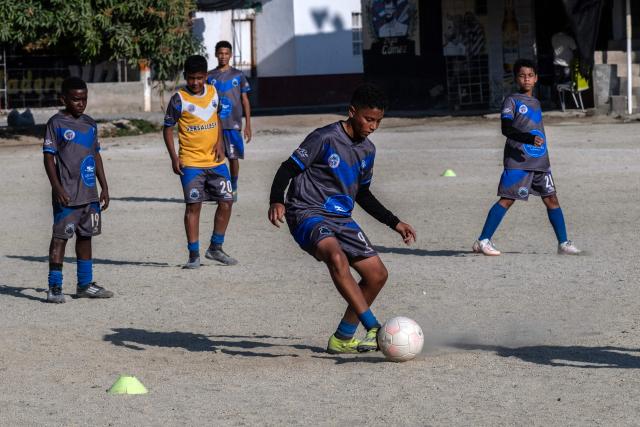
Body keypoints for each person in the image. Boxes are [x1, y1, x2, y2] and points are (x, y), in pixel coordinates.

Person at [268, 83, 416, 354]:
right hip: (306, 211)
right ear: (352, 112)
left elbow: (363, 193)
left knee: (377, 275)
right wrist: (277, 199)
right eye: (368, 119)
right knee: (336, 256)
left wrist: (395, 222)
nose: (373, 126)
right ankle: (373, 327)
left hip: (341, 217)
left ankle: (343, 338)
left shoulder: (368, 150)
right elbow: (287, 168)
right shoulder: (324, 138)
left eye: (378, 121)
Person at [472, 58, 581, 256]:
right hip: (518, 161)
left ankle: (563, 243)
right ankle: (483, 240)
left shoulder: (537, 103)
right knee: (507, 199)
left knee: (552, 199)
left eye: (530, 75)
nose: (526, 79)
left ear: (536, 78)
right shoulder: (511, 101)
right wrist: (528, 138)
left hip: (540, 162)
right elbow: (506, 129)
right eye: (522, 76)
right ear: (516, 79)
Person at [43, 76, 113, 303]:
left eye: (84, 99)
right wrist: (56, 187)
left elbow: (96, 154)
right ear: (64, 99)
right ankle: (55, 287)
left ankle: (85, 284)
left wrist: (104, 186)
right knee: (60, 238)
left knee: (86, 237)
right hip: (67, 194)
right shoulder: (56, 123)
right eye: (75, 100)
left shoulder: (90, 123)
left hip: (89, 193)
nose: (80, 104)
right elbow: (48, 158)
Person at [163, 55, 237, 269]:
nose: (195, 82)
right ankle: (193, 255)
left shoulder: (214, 92)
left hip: (215, 161)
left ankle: (215, 247)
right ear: (185, 76)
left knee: (227, 201)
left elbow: (217, 119)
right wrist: (174, 157)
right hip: (191, 162)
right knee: (194, 206)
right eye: (191, 78)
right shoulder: (179, 99)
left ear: (206, 76)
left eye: (199, 78)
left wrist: (220, 142)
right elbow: (167, 129)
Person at [207, 41, 252, 202]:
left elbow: (245, 100)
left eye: (226, 53)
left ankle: (233, 187)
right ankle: (218, 189)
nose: (223, 56)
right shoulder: (209, 76)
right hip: (214, 126)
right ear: (216, 54)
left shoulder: (238, 75)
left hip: (233, 125)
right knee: (215, 159)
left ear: (230, 55)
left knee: (233, 158)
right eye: (220, 53)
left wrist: (248, 124)